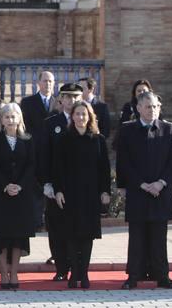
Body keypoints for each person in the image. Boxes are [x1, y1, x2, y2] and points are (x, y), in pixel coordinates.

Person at [115, 89, 172, 289]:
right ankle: (133, 276)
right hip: (138, 191)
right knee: (137, 237)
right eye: (149, 106)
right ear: (139, 108)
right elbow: (123, 162)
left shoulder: (169, 130)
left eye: (156, 106)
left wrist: (161, 183)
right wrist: (140, 184)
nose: (153, 110)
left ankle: (162, 276)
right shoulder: (127, 130)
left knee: (159, 237)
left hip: (161, 191)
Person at [52, 101, 111, 289]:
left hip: (90, 194)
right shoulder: (64, 139)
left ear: (90, 116)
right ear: (72, 117)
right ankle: (73, 273)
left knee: (87, 236)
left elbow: (104, 168)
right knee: (71, 235)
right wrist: (58, 190)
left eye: (84, 114)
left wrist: (105, 191)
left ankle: (83, 273)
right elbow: (58, 167)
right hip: (70, 194)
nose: (80, 117)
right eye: (77, 114)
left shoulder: (98, 139)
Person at [0, 102, 39, 290]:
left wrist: (20, 185)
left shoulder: (28, 139)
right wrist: (6, 185)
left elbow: (31, 165)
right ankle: (4, 273)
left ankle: (14, 273)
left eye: (13, 116)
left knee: (17, 237)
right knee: (3, 237)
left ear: (19, 118)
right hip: (1, 195)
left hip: (21, 196)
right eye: (6, 117)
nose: (10, 119)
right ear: (1, 120)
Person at [37, 82, 82, 281]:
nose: (72, 101)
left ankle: (78, 266)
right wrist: (46, 183)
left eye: (76, 97)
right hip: (55, 186)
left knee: (78, 228)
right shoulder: (51, 123)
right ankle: (62, 267)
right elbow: (43, 155)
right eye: (68, 97)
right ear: (61, 99)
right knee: (56, 228)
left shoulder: (86, 122)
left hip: (79, 187)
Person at [19, 70, 58, 135]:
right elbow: (25, 124)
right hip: (34, 142)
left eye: (50, 81)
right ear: (39, 83)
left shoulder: (58, 103)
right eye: (45, 81)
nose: (48, 83)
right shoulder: (27, 102)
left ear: (53, 83)